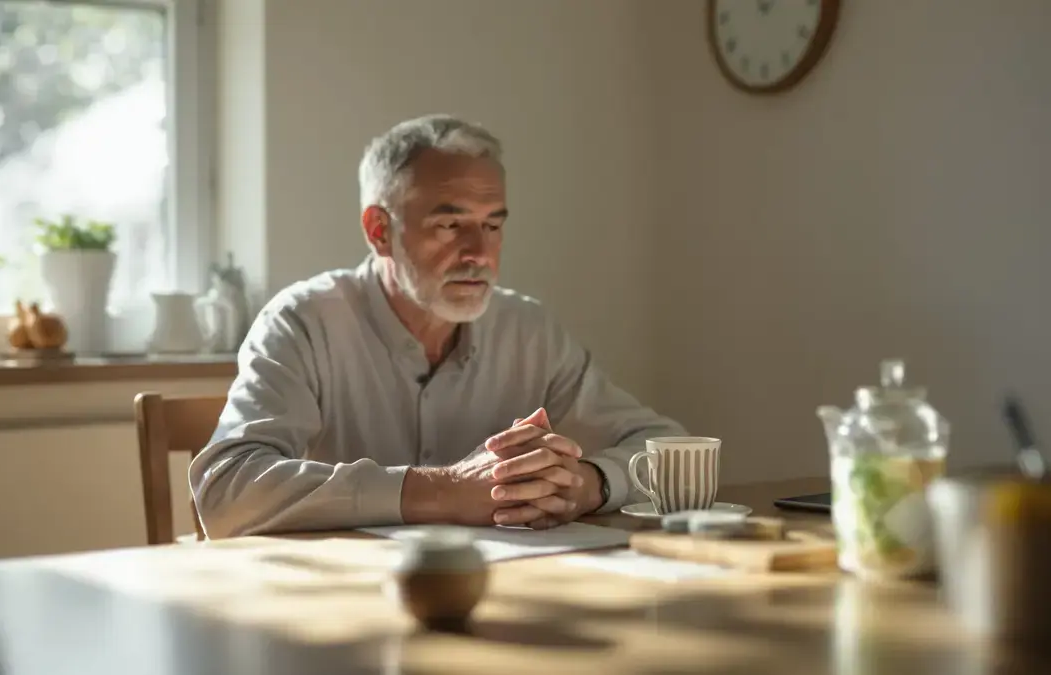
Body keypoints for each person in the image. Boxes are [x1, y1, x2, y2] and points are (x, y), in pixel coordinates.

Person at [189, 114, 687, 537]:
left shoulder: (528, 330)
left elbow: (670, 447)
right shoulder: (302, 322)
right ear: (379, 231)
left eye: (493, 225)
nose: (478, 252)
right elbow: (225, 492)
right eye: (450, 225)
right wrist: (442, 490)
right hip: (340, 610)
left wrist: (587, 483)